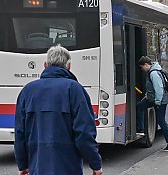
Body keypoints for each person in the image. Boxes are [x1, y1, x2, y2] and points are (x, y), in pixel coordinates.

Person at [14, 45, 102, 175]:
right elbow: (84, 133)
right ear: (69, 66)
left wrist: (23, 165)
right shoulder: (75, 90)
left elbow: (20, 133)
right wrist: (95, 164)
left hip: (37, 166)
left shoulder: (28, 91)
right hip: (69, 166)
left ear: (45, 65)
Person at [136, 56, 168, 151]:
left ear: (146, 64)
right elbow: (152, 87)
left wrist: (157, 102)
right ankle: (140, 129)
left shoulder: (153, 73)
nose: (142, 69)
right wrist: (147, 95)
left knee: (161, 121)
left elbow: (159, 88)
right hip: (154, 99)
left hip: (159, 100)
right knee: (139, 106)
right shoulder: (154, 71)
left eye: (142, 67)